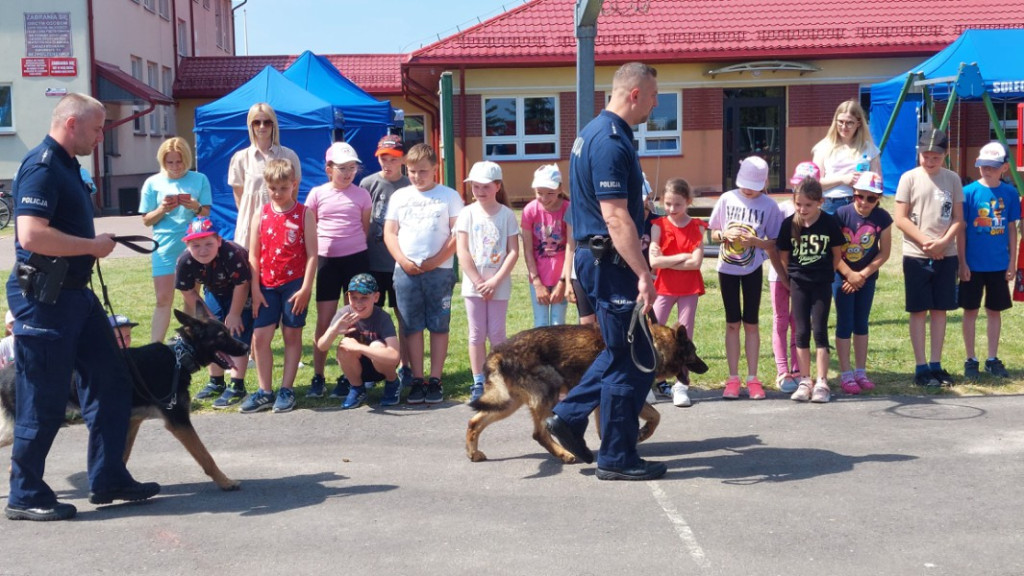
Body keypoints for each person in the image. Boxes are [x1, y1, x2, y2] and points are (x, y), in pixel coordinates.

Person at [5, 93, 159, 522]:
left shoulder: (69, 165)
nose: (101, 134)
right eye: (97, 127)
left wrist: (92, 248)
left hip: (75, 293)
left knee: (110, 382)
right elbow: (32, 236)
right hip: (44, 299)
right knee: (43, 399)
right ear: (71, 124)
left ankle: (108, 477)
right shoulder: (42, 167)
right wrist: (93, 246)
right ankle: (25, 493)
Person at [543, 62, 666, 481]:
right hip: (610, 263)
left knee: (623, 355)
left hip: (598, 260)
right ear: (634, 94)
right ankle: (595, 437)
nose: (655, 103)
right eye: (652, 96)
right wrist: (643, 273)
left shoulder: (595, 133)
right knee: (630, 359)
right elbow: (615, 219)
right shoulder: (610, 141)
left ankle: (592, 433)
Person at [383, 143, 463, 405]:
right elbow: (390, 233)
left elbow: (456, 234)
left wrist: (436, 261)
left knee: (439, 325)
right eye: (413, 171)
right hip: (406, 272)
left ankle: (435, 379)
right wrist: (403, 261)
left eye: (423, 171)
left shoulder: (449, 196)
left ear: (435, 169)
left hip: (439, 272)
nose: (417, 176)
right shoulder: (400, 197)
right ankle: (417, 379)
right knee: (411, 326)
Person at [242, 159, 317, 414]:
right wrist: (254, 288)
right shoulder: (260, 214)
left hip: (294, 285)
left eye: (283, 188)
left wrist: (306, 287)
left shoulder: (304, 213)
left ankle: (286, 389)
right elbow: (253, 255)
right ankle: (265, 390)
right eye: (273, 188)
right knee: (260, 337)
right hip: (266, 285)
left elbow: (312, 255)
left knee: (291, 335)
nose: (277, 193)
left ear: (294, 185)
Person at [708, 156, 784, 400]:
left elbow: (774, 241)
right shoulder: (727, 198)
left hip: (752, 269)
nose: (748, 190)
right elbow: (714, 233)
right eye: (745, 185)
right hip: (726, 269)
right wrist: (723, 235)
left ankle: (753, 378)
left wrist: (757, 243)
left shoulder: (770, 206)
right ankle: (733, 378)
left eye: (753, 186)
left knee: (751, 323)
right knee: (732, 323)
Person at [893, 129, 964, 387]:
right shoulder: (909, 178)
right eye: (925, 155)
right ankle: (921, 365)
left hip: (947, 253)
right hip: (916, 254)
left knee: (940, 309)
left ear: (945, 155)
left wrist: (944, 242)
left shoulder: (953, 179)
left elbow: (958, 218)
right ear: (919, 154)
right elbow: (900, 218)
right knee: (918, 309)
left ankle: (936, 363)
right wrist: (925, 242)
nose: (929, 160)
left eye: (935, 156)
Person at [305, 142, 372, 399]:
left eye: (352, 168)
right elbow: (311, 228)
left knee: (354, 320)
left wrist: (351, 247)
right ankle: (318, 376)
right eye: (342, 168)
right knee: (326, 319)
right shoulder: (317, 194)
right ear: (329, 169)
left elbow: (364, 228)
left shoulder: (362, 195)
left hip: (356, 260)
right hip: (327, 262)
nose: (348, 173)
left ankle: (350, 375)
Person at [775, 177, 849, 403]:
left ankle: (822, 382)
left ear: (820, 202)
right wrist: (793, 278)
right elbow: (784, 257)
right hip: (799, 282)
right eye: (798, 204)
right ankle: (805, 380)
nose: (802, 209)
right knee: (801, 331)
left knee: (819, 330)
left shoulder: (829, 223)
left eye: (808, 205)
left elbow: (837, 254)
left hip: (822, 283)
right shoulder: (789, 224)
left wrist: (827, 273)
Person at [456, 161, 521, 403]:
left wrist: (494, 281)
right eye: (475, 186)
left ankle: (498, 378)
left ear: (497, 186)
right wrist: (476, 280)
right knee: (476, 333)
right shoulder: (467, 213)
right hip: (473, 285)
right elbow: (462, 250)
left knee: (496, 333)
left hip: (498, 283)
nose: (480, 191)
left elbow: (513, 252)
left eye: (485, 186)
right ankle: (478, 381)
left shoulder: (506, 216)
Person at [139, 137, 212, 343]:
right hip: (164, 247)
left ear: (186, 159)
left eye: (179, 161)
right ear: (162, 161)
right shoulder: (152, 183)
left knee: (191, 296)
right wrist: (162, 208)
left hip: (193, 247)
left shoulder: (200, 179)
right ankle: (156, 346)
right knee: (163, 299)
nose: (175, 167)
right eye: (170, 162)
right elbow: (146, 220)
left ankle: (187, 340)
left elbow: (206, 213)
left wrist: (195, 206)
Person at [175, 216, 254, 408]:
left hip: (243, 291)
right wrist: (209, 319)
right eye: (196, 245)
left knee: (236, 333)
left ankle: (237, 385)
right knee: (211, 337)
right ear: (187, 246)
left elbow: (242, 284)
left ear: (219, 241)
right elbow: (188, 291)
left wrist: (234, 314)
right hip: (214, 291)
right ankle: (216, 382)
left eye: (208, 244)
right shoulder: (184, 261)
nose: (202, 250)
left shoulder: (231, 253)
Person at [957, 142, 1020, 379]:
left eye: (992, 167)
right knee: (970, 310)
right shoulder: (968, 192)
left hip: (998, 265)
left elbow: (1012, 229)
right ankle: (970, 359)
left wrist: (1012, 262)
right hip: (972, 265)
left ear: (1004, 167)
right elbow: (961, 229)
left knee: (995, 311)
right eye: (983, 166)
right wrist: (962, 262)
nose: (986, 170)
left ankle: (992, 358)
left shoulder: (1010, 193)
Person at [360, 135, 413, 391]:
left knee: (403, 317)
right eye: (383, 158)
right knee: (371, 318)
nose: (387, 163)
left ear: (402, 159)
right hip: (373, 262)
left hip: (400, 263)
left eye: (393, 158)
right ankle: (372, 367)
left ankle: (406, 366)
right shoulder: (368, 183)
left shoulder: (408, 185)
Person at [833, 171, 892, 394]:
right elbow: (834, 252)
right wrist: (849, 274)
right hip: (842, 277)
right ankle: (845, 373)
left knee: (861, 323)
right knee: (844, 322)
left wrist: (862, 275)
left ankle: (860, 371)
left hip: (866, 278)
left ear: (878, 199)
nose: (865, 202)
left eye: (871, 198)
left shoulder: (883, 218)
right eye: (860, 196)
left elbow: (884, 253)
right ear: (853, 195)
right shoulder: (840, 215)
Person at [649, 177, 706, 408]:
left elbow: (696, 264)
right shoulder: (658, 225)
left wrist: (667, 260)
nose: (672, 209)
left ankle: (681, 386)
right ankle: (647, 384)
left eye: (678, 204)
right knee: (654, 335)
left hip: (689, 288)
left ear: (688, 202)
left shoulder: (697, 226)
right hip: (663, 288)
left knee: (685, 337)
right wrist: (681, 256)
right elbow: (654, 261)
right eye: (668, 204)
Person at [316, 274, 401, 409]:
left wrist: (359, 348)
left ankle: (392, 382)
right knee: (344, 347)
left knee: (376, 345)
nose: (358, 303)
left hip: (381, 367)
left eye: (364, 298)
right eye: (353, 298)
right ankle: (357, 388)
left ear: (376, 297)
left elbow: (394, 355)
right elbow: (322, 346)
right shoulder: (344, 314)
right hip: (357, 367)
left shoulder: (382, 317)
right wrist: (334, 331)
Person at [228, 103, 302, 251]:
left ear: (273, 124)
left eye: (267, 122)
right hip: (250, 222)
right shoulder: (240, 158)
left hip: (281, 219)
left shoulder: (289, 155)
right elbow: (239, 198)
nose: (262, 127)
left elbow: (293, 192)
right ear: (250, 125)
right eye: (257, 122)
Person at [770, 163, 815, 394]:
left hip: (803, 277)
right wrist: (783, 274)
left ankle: (798, 368)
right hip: (778, 275)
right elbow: (775, 245)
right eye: (798, 184)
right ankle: (782, 370)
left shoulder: (817, 216)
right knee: (780, 321)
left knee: (799, 321)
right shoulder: (782, 210)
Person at [521, 164, 572, 327]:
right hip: (539, 277)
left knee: (558, 325)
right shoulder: (530, 211)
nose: (544, 198)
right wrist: (536, 283)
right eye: (539, 193)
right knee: (540, 325)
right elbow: (527, 250)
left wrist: (563, 281)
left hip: (561, 276)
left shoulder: (568, 209)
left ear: (560, 189)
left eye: (550, 193)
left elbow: (571, 246)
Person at [812, 99, 881, 215]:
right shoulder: (823, 147)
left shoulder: (870, 149)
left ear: (858, 123)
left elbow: (878, 182)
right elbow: (814, 183)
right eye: (840, 122)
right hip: (831, 203)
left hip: (859, 202)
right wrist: (843, 179)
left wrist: (864, 181)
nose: (844, 127)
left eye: (849, 123)